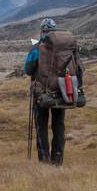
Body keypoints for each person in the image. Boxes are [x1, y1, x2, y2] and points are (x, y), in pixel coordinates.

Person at [23, 18, 81, 165]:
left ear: (42, 31)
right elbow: (79, 67)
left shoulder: (37, 47)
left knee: (41, 125)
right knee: (59, 125)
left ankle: (44, 160)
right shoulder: (66, 47)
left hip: (41, 92)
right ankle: (58, 160)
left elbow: (28, 70)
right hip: (62, 90)